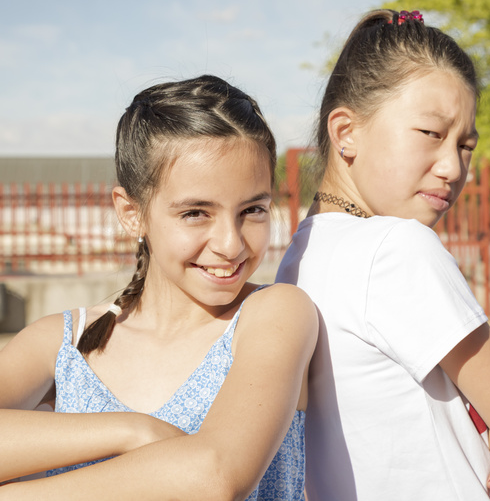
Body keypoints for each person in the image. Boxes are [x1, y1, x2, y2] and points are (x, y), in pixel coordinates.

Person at [0, 75, 318, 499]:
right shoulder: (64, 342)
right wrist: (130, 430)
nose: (230, 244)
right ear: (131, 213)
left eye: (253, 209)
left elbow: (216, 477)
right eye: (195, 213)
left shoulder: (274, 314)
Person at [276, 9, 490, 500]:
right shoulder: (396, 247)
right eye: (431, 133)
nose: (452, 167)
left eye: (466, 145)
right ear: (345, 132)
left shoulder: (300, 257)